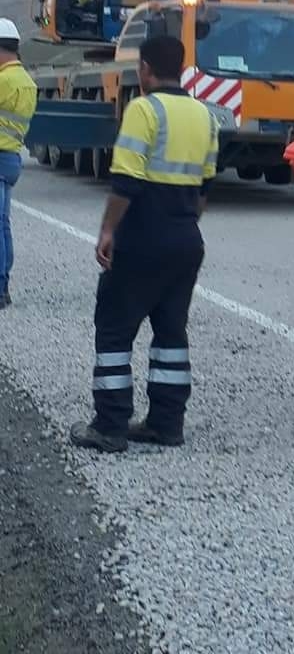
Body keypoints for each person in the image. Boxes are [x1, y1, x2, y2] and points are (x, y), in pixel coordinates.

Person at [70, 35, 219, 453]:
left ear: (146, 69)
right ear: (182, 69)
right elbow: (205, 186)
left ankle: (110, 425)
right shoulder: (205, 115)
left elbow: (126, 181)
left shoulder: (144, 109)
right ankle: (166, 423)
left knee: (114, 331)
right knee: (171, 332)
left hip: (142, 237)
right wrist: (184, 225)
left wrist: (107, 231)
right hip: (186, 238)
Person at [0, 18, 38, 308]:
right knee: (3, 225)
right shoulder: (26, 80)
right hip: (11, 158)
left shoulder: (4, 80)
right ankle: (3, 284)